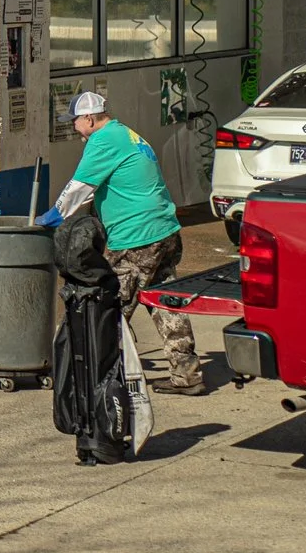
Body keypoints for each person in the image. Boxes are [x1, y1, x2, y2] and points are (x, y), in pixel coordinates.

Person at [36, 91, 202, 395]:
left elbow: (79, 189)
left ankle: (91, 376)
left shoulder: (103, 140)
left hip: (136, 236)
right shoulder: (126, 134)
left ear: (89, 119)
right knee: (165, 301)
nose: (73, 127)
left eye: (75, 121)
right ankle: (186, 373)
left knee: (107, 304)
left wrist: (49, 218)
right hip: (163, 230)